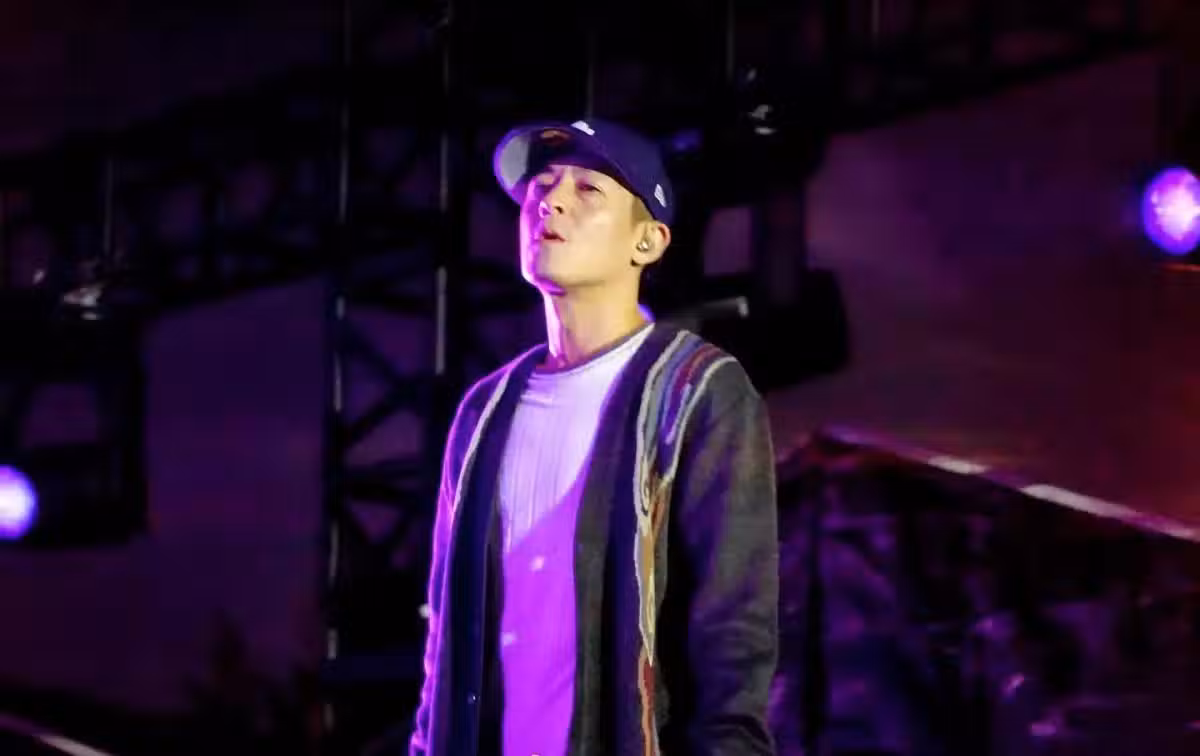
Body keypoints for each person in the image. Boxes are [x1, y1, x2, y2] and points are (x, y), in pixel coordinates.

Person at [409, 118, 779, 756]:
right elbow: (444, 642)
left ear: (647, 241)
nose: (550, 202)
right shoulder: (482, 412)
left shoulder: (697, 391)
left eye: (588, 190)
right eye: (541, 186)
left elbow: (732, 638)